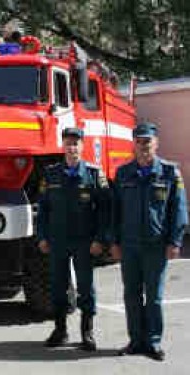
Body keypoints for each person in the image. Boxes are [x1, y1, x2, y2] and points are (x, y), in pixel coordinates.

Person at [110, 122, 188, 361]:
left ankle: (153, 342)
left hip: (155, 245)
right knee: (131, 295)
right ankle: (135, 341)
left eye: (148, 141)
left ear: (156, 143)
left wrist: (175, 241)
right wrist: (114, 241)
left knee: (154, 297)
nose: (143, 146)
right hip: (130, 245)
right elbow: (115, 211)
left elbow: (179, 210)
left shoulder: (169, 172)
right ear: (134, 144)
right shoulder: (123, 173)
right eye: (139, 141)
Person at [37, 127, 110, 351]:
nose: (72, 147)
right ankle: (60, 331)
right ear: (63, 146)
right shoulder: (50, 174)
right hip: (57, 240)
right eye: (68, 143)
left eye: (76, 143)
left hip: (84, 241)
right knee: (57, 286)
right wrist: (42, 237)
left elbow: (105, 210)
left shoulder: (94, 174)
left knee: (86, 287)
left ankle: (87, 332)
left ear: (83, 146)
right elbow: (43, 210)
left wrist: (100, 239)